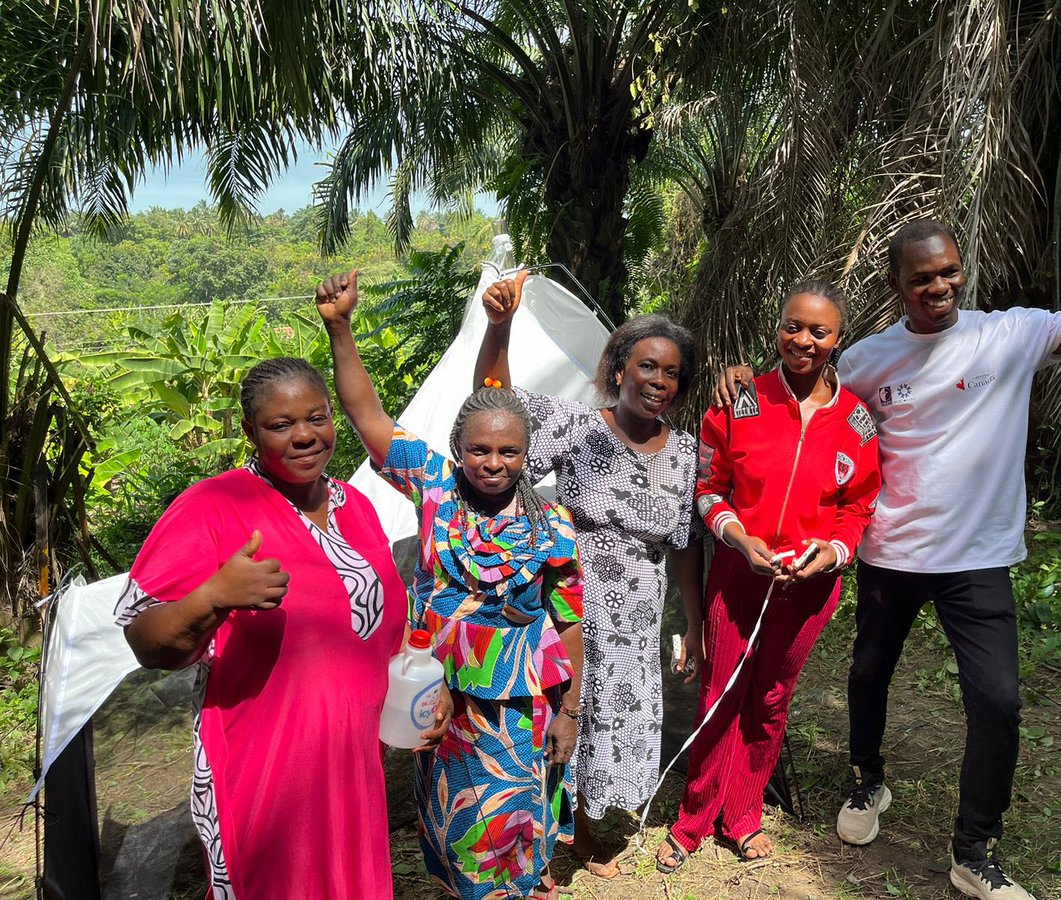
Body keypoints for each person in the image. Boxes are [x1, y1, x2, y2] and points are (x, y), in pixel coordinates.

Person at [715, 219, 1061, 899]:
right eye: (922, 278)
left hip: (978, 556)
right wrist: (741, 379)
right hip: (891, 551)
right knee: (868, 675)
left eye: (949, 272)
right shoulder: (867, 362)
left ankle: (974, 850)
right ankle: (867, 781)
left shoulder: (1010, 334)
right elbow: (803, 393)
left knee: (997, 701)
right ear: (896, 285)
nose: (938, 287)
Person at [317, 271, 584, 900]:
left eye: (510, 452)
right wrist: (340, 329)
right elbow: (367, 415)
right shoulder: (434, 488)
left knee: (518, 828)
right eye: (480, 450)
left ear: (527, 453)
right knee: (452, 819)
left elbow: (570, 620)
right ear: (456, 449)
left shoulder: (553, 523)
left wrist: (570, 711)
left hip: (520, 703)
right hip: (437, 696)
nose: (494, 463)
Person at [116, 357, 421, 899]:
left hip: (353, 766)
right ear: (250, 429)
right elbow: (144, 639)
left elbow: (381, 629)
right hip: (273, 768)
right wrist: (212, 597)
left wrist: (420, 695)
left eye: (317, 418)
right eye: (281, 425)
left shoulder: (359, 510)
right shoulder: (213, 507)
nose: (304, 436)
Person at [473, 272, 705, 877]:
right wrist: (499, 326)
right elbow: (493, 406)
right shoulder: (577, 427)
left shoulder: (685, 453)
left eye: (672, 373)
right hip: (570, 607)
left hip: (636, 618)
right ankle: (539, 845)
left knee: (609, 721)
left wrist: (696, 625)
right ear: (620, 368)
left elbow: (683, 547)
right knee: (559, 715)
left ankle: (579, 835)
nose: (658, 381)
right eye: (647, 366)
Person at [656, 280, 881, 873]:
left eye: (818, 331)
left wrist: (831, 555)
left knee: (772, 697)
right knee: (719, 692)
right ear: (776, 328)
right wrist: (738, 537)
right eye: (792, 326)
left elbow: (858, 508)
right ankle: (693, 818)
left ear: (838, 339)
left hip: (808, 588)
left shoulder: (857, 424)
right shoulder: (739, 404)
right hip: (737, 576)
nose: (802, 340)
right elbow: (707, 490)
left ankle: (744, 813)